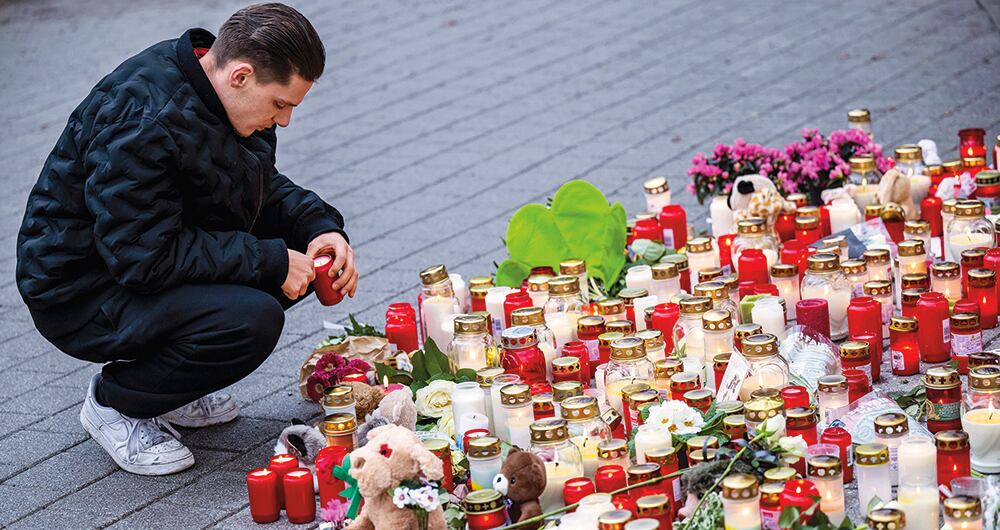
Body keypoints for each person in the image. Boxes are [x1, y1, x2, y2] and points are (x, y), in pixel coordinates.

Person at [15, 3, 357, 476]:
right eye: (280, 104)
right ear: (240, 75)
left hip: (141, 256)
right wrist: (270, 261)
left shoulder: (220, 96)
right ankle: (116, 404)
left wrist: (320, 227)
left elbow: (256, 187)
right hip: (81, 288)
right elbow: (143, 258)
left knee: (293, 253)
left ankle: (170, 389)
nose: (284, 122)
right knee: (251, 317)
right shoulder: (145, 123)